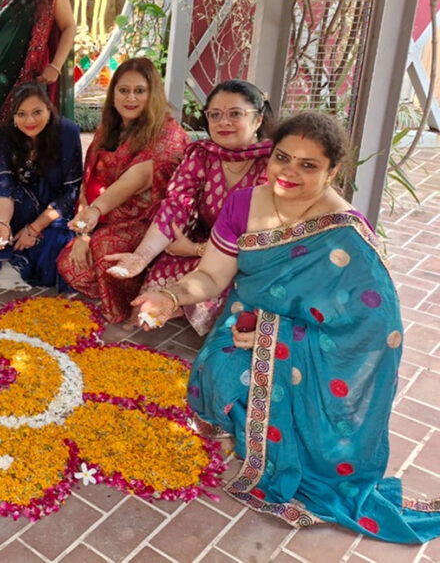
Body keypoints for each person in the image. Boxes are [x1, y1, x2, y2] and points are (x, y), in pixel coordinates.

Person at [134, 113, 440, 543]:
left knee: (283, 403)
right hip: (241, 327)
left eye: (308, 165)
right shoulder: (243, 205)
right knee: (218, 372)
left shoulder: (346, 232)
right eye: (282, 157)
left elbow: (373, 329)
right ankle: (246, 433)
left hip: (310, 354)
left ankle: (280, 445)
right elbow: (211, 276)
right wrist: (170, 297)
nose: (289, 172)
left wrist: (274, 334)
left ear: (332, 171)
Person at [104, 80, 272, 333]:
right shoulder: (202, 154)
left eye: (235, 114)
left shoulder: (273, 163)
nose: (223, 122)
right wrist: (142, 256)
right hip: (202, 246)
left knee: (226, 288)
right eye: (215, 115)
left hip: (248, 256)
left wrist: (196, 249)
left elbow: (260, 234)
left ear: (258, 120)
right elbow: (176, 206)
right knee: (154, 294)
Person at [56, 57, 187, 323]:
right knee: (69, 262)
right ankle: (125, 286)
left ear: (153, 94)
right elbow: (89, 180)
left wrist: (95, 213)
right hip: (105, 216)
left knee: (105, 249)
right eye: (124, 90)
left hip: (150, 223)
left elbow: (135, 180)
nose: (131, 98)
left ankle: (135, 298)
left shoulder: (168, 134)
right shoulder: (109, 129)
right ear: (113, 94)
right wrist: (83, 233)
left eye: (140, 91)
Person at [0, 82, 82, 290]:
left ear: (49, 109)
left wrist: (34, 228)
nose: (29, 121)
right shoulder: (5, 136)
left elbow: (72, 191)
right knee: (2, 224)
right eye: (21, 114)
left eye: (37, 112)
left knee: (57, 243)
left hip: (55, 210)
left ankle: (23, 259)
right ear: (13, 116)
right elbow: (4, 183)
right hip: (20, 205)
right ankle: (10, 252)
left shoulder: (67, 132)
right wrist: (2, 222)